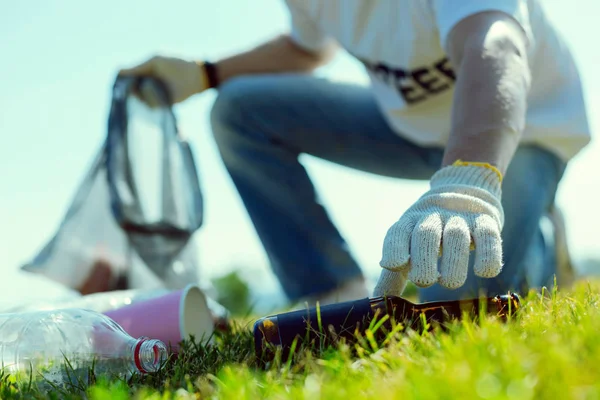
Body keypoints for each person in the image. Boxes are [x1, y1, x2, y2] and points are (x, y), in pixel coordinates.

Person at [120, 0, 591, 305]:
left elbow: (496, 45)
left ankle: (541, 242)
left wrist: (467, 184)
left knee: (456, 299)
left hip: (522, 130)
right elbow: (308, 49)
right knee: (239, 112)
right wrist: (207, 74)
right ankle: (333, 294)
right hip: (407, 126)